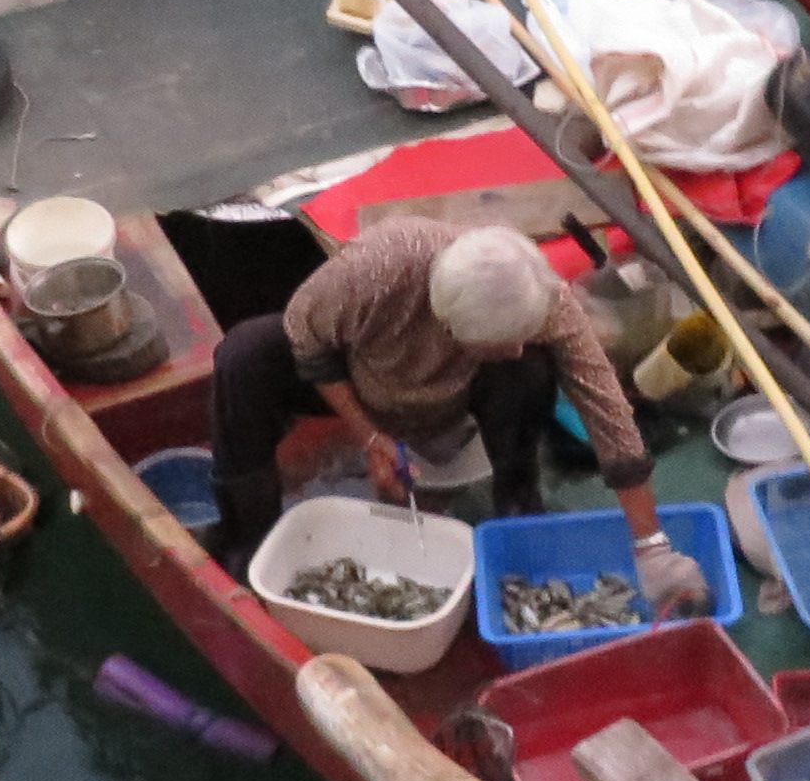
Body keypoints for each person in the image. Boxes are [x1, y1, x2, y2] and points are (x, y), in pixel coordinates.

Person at [211, 221, 711, 618]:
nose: (514, 346)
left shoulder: (543, 298)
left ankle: (517, 504)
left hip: (454, 399)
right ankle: (249, 536)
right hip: (363, 377)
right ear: (449, 323)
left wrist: (652, 547)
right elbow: (309, 343)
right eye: (499, 341)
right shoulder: (377, 269)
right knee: (243, 353)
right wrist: (369, 435)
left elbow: (604, 406)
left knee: (529, 367)